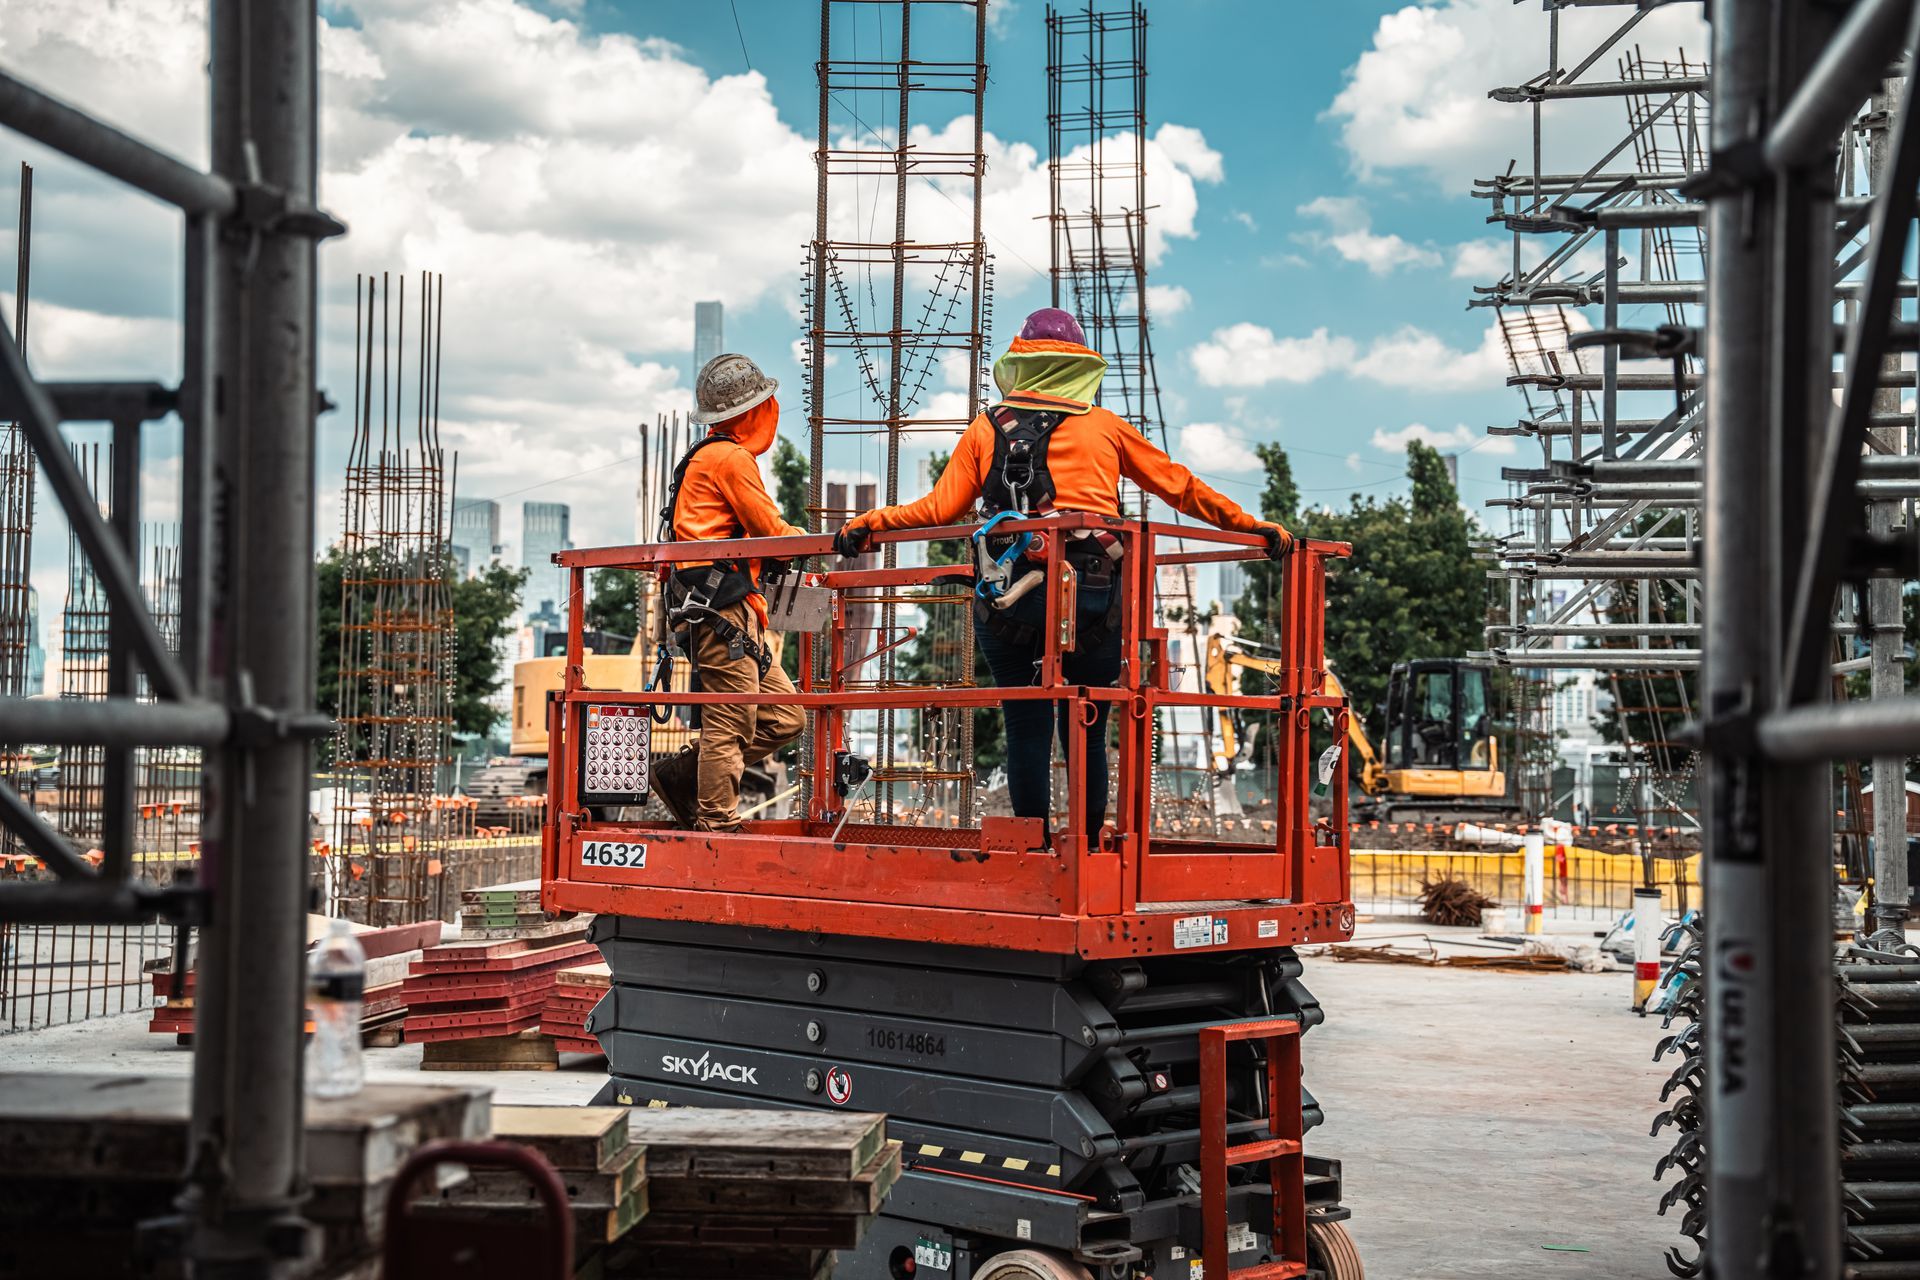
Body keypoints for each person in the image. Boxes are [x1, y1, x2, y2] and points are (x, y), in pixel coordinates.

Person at [833, 308, 1294, 835]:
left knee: (1025, 726)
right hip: (1094, 602)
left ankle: (1033, 851)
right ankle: (1090, 849)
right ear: (1080, 367)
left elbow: (937, 511)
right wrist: (1252, 527)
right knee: (1088, 728)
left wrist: (869, 523)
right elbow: (1180, 487)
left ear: (1021, 364)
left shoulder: (987, 429)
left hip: (1010, 601)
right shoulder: (1105, 427)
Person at [648, 353, 807, 832]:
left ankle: (683, 776)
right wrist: (811, 540)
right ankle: (715, 820)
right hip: (720, 608)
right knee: (730, 721)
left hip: (732, 607)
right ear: (755, 410)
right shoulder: (730, 458)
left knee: (785, 717)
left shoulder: (707, 456)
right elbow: (770, 529)